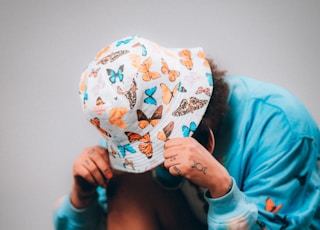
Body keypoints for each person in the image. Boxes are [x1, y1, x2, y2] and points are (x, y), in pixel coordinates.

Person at [53, 36, 320, 229]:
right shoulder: (133, 124)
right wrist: (82, 196)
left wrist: (221, 188)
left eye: (158, 153)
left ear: (205, 138)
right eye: (146, 156)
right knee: (125, 187)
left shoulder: (280, 126)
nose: (156, 165)